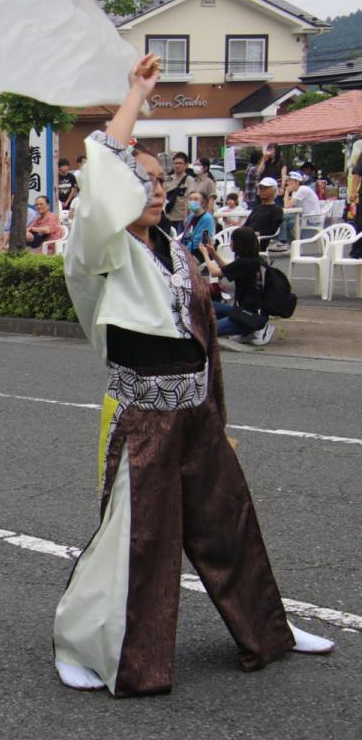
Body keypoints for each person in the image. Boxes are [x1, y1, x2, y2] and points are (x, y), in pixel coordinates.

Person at [53, 53, 333, 698]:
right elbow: (103, 171)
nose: (155, 190)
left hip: (195, 410)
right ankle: (83, 643)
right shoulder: (99, 249)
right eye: (141, 180)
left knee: (227, 518)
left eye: (160, 181)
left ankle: (269, 629)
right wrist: (135, 96)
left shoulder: (172, 247)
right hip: (144, 415)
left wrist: (215, 413)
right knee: (134, 541)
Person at [200, 227, 274, 346]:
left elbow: (214, 272)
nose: (230, 243)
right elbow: (227, 268)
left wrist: (205, 254)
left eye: (232, 240)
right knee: (209, 306)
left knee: (203, 331)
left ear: (240, 244)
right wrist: (213, 253)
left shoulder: (244, 262)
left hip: (249, 317)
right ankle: (250, 328)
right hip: (245, 311)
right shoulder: (254, 260)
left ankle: (257, 329)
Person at [244, 177, 284, 250]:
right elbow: (246, 225)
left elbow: (272, 229)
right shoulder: (257, 208)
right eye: (260, 188)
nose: (262, 191)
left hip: (258, 241)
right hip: (248, 238)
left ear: (274, 191)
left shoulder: (277, 210)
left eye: (265, 188)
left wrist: (258, 233)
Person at [282, 171, 323, 241]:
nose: (287, 183)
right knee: (282, 220)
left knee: (284, 220)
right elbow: (289, 207)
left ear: (297, 182)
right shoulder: (295, 192)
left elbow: (287, 206)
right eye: (288, 181)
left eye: (290, 181)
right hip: (304, 216)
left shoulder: (302, 190)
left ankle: (292, 242)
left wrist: (286, 191)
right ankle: (292, 242)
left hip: (310, 218)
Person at [163, 152, 194, 230]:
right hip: (168, 216)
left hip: (182, 218)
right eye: (175, 163)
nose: (177, 166)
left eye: (180, 163)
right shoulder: (168, 179)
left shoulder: (190, 180)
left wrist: (188, 217)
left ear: (186, 165)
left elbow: (190, 200)